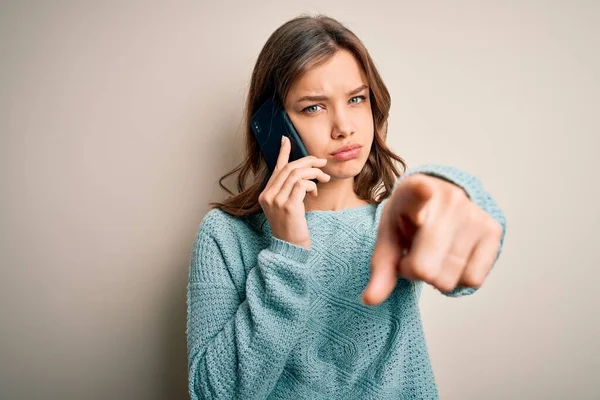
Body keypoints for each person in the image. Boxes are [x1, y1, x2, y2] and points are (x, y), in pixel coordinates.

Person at [186, 14, 506, 400]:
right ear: (272, 125)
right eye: (313, 108)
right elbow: (212, 393)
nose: (344, 127)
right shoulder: (226, 234)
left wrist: (455, 190)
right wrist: (287, 252)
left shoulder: (392, 221)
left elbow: (461, 232)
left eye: (356, 99)